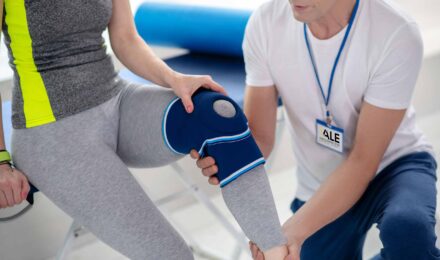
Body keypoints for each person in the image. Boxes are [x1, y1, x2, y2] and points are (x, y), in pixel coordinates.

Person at [0, 0, 290, 259]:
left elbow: (125, 39)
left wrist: (174, 79)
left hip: (115, 99)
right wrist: (0, 160)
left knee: (215, 113)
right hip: (52, 131)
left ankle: (275, 252)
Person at [193, 0, 439, 259]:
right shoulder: (265, 23)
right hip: (319, 184)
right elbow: (261, 138)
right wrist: (227, 158)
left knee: (408, 229)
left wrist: (292, 232)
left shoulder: (395, 32)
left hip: (393, 166)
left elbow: (363, 160)